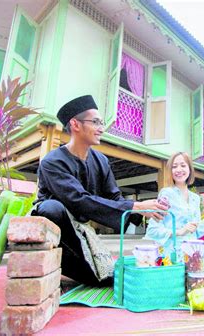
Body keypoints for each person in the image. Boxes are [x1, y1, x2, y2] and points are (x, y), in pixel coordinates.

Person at [33, 95, 168, 286]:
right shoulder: (52, 161)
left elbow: (114, 196)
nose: (101, 129)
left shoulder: (101, 160)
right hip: (59, 229)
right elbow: (78, 199)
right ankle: (56, 262)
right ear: (75, 124)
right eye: (95, 122)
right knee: (52, 208)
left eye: (102, 123)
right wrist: (136, 205)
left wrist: (144, 210)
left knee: (105, 279)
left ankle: (85, 268)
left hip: (81, 230)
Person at [144, 152, 204, 258]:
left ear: (190, 169)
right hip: (172, 256)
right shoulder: (166, 194)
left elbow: (196, 231)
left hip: (192, 255)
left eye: (183, 165)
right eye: (174, 167)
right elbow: (153, 230)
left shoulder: (195, 198)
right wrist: (180, 232)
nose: (179, 170)